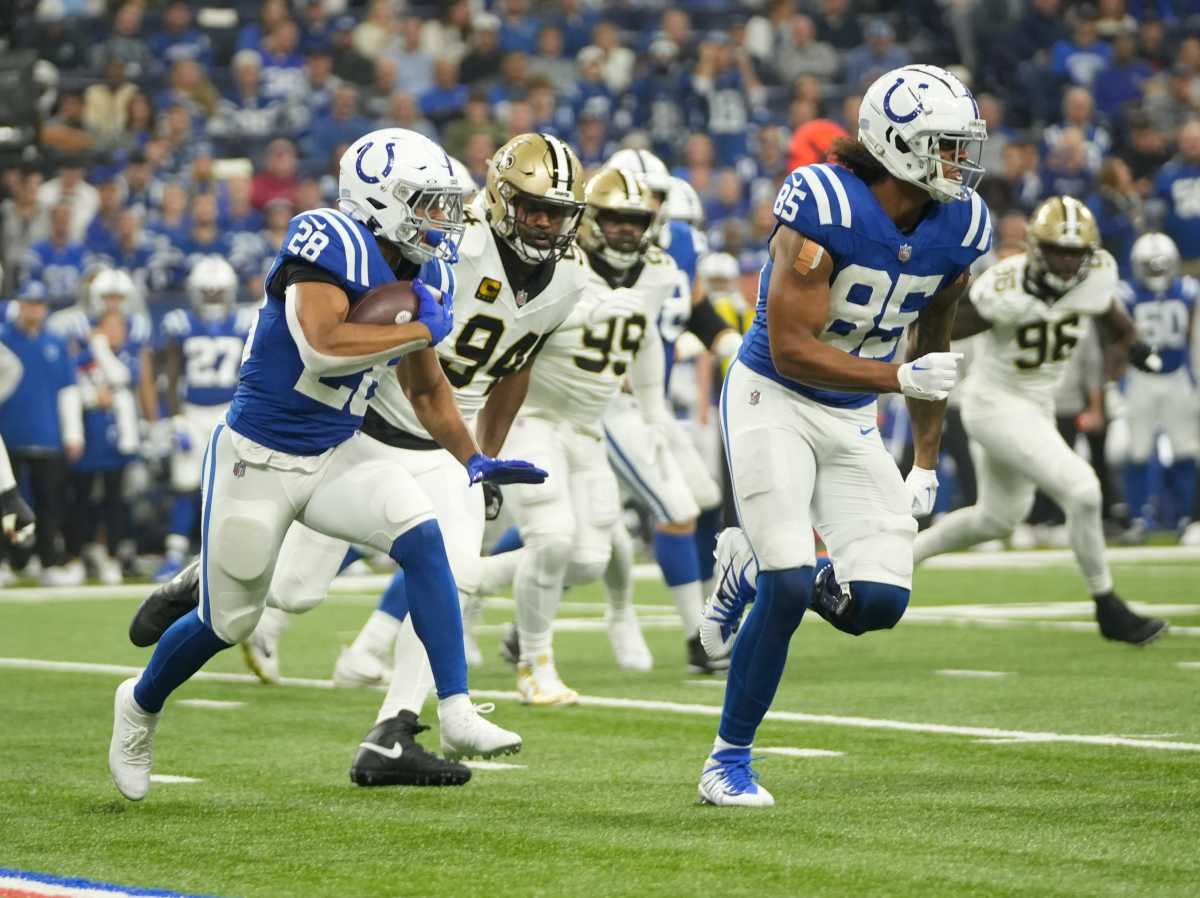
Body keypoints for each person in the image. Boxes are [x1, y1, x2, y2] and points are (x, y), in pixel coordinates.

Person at [109, 128, 533, 801]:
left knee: (423, 537)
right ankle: (139, 703)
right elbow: (323, 347)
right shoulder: (327, 235)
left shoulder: (425, 269)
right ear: (379, 199)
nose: (442, 219)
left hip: (336, 451)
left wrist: (475, 460)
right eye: (427, 203)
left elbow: (426, 390)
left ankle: (453, 708)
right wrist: (423, 326)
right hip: (259, 458)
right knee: (231, 623)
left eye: (446, 205)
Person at [695, 65, 991, 807]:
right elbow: (793, 345)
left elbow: (934, 337)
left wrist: (924, 457)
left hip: (854, 411)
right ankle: (727, 761)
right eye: (946, 147)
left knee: (881, 604)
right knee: (791, 579)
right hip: (774, 394)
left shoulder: (960, 226)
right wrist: (897, 382)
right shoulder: (822, 203)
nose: (961, 163)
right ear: (896, 146)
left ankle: (746, 565)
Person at [913, 197, 1167, 646]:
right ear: (1036, 246)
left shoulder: (1094, 277)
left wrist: (1133, 352)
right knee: (1084, 490)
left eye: (1076, 252)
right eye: (1059, 251)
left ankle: (895, 559)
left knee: (996, 519)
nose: (1068, 262)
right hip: (994, 403)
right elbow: (939, 326)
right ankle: (1107, 604)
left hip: (1038, 407)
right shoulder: (1004, 286)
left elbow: (1118, 325)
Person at [154, 257, 256, 581]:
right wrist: (174, 418)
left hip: (231, 411)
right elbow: (170, 374)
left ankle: (225, 552)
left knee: (233, 484)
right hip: (192, 413)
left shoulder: (244, 321)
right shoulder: (180, 323)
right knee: (186, 484)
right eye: (207, 292)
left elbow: (252, 373)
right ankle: (174, 553)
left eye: (217, 292)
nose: (212, 298)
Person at [0, 282, 84, 586]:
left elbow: (67, 390)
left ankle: (48, 561)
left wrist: (73, 433)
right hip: (9, 434)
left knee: (49, 505)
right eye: (28, 303)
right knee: (6, 503)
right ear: (18, 305)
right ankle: (7, 561)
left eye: (38, 303)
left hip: (46, 435)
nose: (33, 309)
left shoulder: (56, 342)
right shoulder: (4, 339)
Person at [1118, 232, 1198, 534]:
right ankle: (1139, 516)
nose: (1156, 273)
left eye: (1160, 266)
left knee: (1185, 450)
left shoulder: (1189, 291)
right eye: (1150, 267)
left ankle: (1182, 517)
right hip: (1140, 378)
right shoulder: (1125, 294)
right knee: (1137, 451)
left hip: (1178, 376)